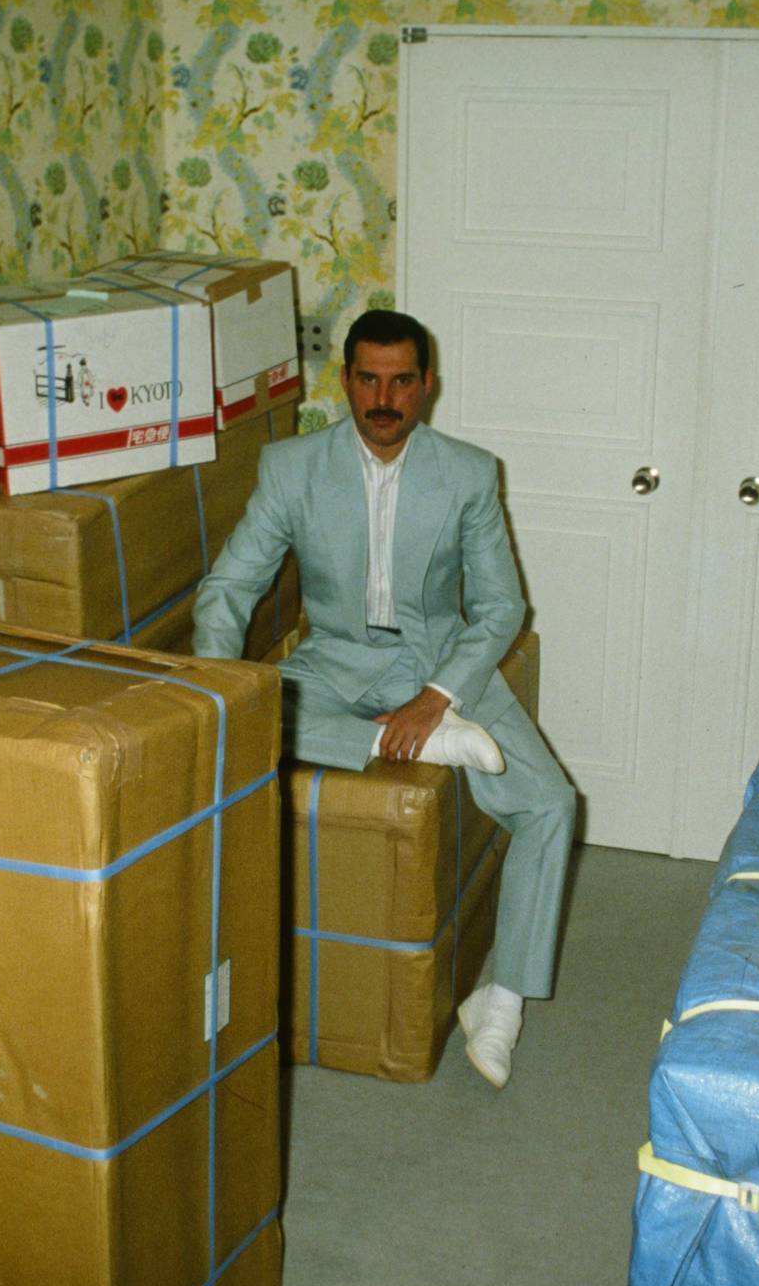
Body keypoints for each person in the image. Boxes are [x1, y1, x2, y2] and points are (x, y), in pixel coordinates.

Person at [193, 308, 576, 1088]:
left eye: (402, 381)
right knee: (254, 714)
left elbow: (501, 607)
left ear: (427, 385)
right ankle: (396, 743)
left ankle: (501, 1001)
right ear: (345, 380)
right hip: (334, 659)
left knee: (552, 803)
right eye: (368, 379)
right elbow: (229, 586)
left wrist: (438, 696)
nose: (383, 398)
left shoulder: (468, 473)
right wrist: (218, 688)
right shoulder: (292, 468)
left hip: (438, 659)